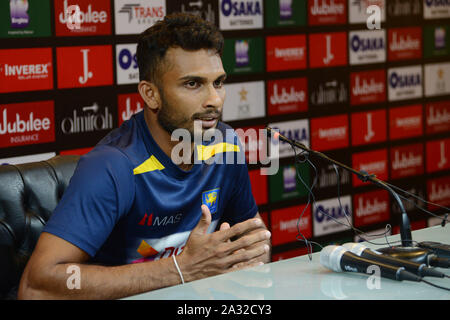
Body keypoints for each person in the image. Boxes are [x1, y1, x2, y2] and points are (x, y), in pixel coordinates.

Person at [18, 13, 271, 300]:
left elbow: (256, 245)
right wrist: (181, 269)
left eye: (219, 83)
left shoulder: (225, 146)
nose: (214, 99)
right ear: (151, 95)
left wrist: (248, 260)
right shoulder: (112, 166)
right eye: (193, 84)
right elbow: (37, 286)